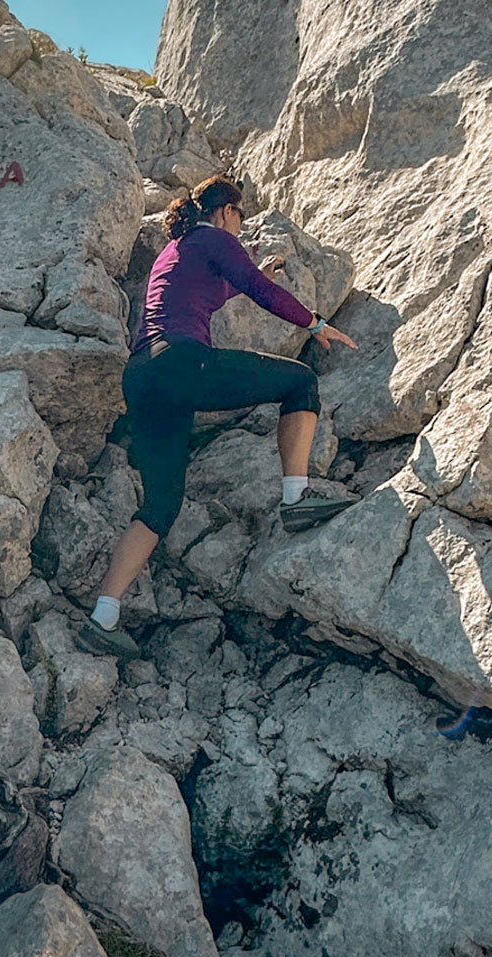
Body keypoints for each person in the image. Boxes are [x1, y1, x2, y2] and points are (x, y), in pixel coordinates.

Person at [78, 174, 358, 660]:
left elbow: (210, 293)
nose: (242, 227)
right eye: (242, 217)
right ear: (227, 210)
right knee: (299, 383)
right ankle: (295, 498)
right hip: (182, 364)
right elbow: (250, 286)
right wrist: (315, 323)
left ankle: (103, 615)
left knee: (161, 505)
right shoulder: (212, 236)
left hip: (143, 378)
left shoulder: (177, 250)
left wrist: (256, 278)